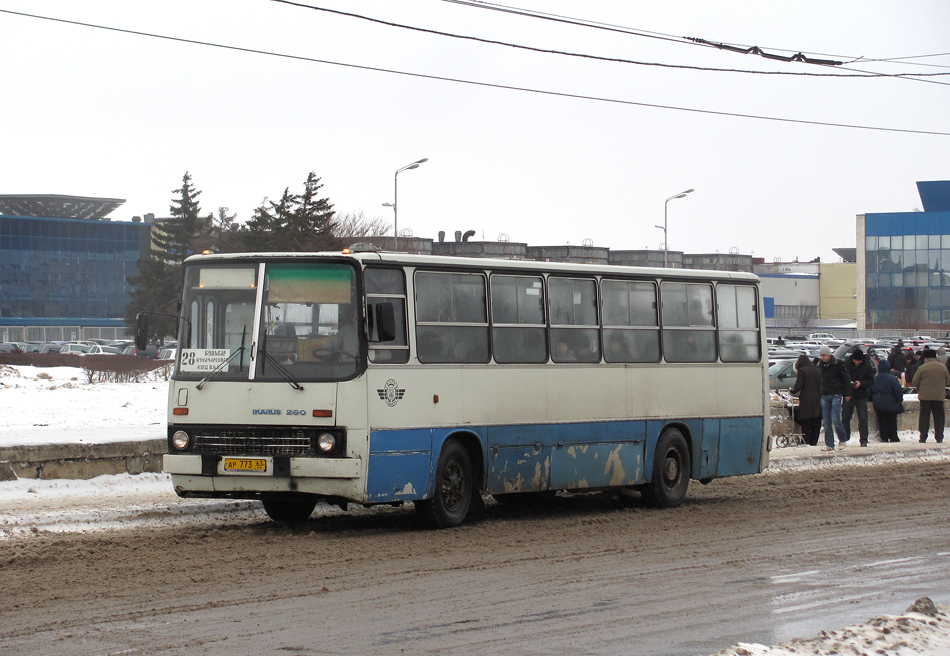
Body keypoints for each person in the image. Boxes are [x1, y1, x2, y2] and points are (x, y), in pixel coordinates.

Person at [817, 345, 852, 451]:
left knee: (835, 419)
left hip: (836, 394)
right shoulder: (820, 365)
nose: (822, 357)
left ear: (829, 355)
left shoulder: (838, 364)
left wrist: (847, 393)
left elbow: (846, 378)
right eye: (821, 355)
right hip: (825, 394)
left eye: (824, 355)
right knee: (826, 421)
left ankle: (842, 439)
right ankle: (830, 444)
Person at [911, 348, 950, 443]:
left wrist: (921, 388)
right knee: (939, 418)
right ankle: (939, 437)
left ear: (926, 358)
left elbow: (914, 382)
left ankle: (923, 437)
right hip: (939, 396)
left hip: (925, 397)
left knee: (924, 417)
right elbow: (948, 381)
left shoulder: (922, 368)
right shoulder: (942, 367)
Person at [841, 348, 876, 447]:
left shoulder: (867, 366)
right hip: (849, 395)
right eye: (856, 360)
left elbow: (871, 381)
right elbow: (842, 378)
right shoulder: (847, 365)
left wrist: (861, 383)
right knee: (845, 418)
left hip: (861, 396)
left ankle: (864, 439)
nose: (857, 362)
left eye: (859, 360)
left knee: (863, 418)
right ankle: (845, 437)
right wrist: (849, 384)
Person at [790, 353, 822, 446]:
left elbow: (799, 385)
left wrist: (792, 391)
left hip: (806, 401)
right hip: (818, 400)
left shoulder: (802, 371)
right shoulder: (816, 370)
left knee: (806, 422)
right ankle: (814, 442)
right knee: (816, 422)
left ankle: (806, 442)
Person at [869, 360, 904, 443]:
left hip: (878, 403)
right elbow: (898, 390)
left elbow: (869, 391)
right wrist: (899, 400)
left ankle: (884, 437)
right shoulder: (892, 379)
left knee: (882, 421)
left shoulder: (875, 378)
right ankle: (893, 437)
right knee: (892, 420)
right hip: (891, 403)